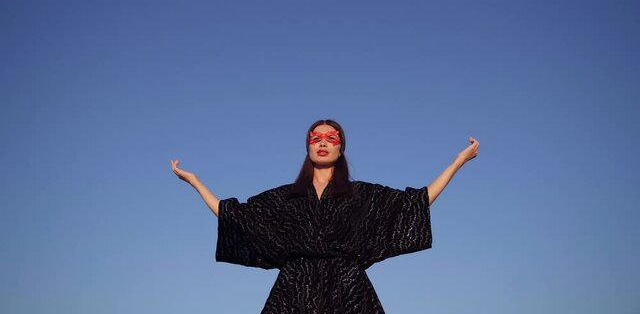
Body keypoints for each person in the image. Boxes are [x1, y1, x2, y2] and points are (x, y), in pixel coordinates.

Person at [171, 119, 479, 313]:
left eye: (331, 138)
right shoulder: (285, 198)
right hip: (293, 293)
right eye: (315, 138)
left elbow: (416, 203)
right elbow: (234, 215)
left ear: (341, 148)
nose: (322, 142)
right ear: (307, 147)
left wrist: (457, 163)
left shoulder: (362, 195)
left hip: (349, 290)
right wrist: (196, 183)